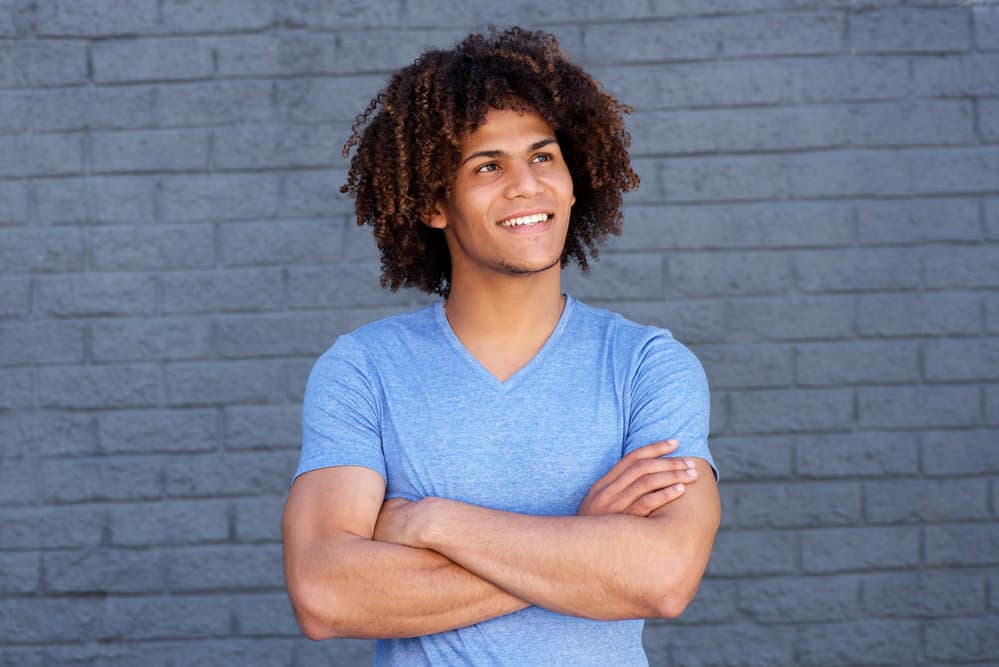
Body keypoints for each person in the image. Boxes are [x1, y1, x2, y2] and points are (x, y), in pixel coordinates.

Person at [282, 27, 721, 666]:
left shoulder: (648, 366)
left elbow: (663, 578)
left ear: (573, 182)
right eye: (488, 165)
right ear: (435, 203)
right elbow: (326, 594)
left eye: (543, 157)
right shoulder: (363, 370)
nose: (525, 185)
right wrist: (588, 545)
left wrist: (428, 524)